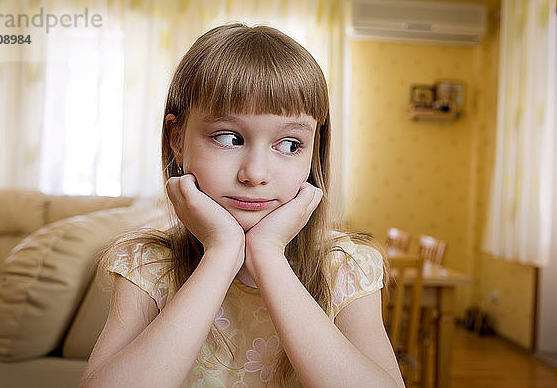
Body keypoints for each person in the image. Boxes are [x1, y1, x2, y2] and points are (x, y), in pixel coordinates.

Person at [79, 23, 404, 388]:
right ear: (177, 140)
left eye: (290, 145)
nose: (255, 173)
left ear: (313, 153)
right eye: (229, 138)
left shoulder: (345, 265)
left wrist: (267, 254)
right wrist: (222, 251)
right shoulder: (149, 265)